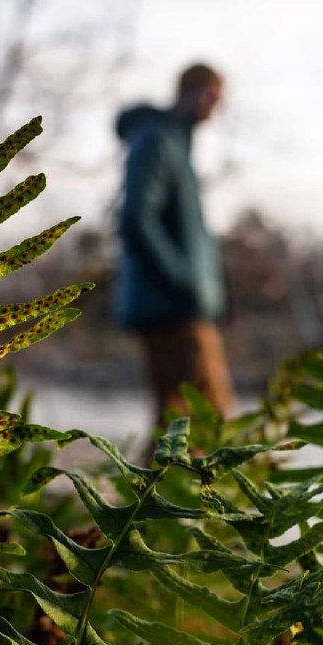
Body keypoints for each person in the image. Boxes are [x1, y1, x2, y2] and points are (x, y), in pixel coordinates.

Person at [114, 63, 234, 436]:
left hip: (181, 307)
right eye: (213, 97)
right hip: (172, 310)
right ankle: (155, 493)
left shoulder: (176, 145)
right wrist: (184, 282)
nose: (215, 109)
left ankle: (150, 493)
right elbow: (136, 218)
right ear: (193, 92)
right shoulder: (157, 140)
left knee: (180, 422)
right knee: (203, 420)